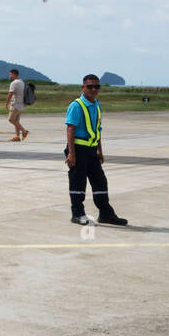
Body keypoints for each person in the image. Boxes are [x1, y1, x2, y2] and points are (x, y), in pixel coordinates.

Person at [64, 74, 128, 226]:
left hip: (92, 150)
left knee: (100, 182)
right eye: (90, 86)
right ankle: (77, 214)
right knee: (78, 183)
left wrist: (100, 150)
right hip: (78, 149)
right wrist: (71, 153)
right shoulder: (76, 105)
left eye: (96, 86)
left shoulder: (97, 105)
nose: (93, 89)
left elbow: (97, 130)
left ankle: (105, 213)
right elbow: (70, 129)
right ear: (83, 88)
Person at [5, 68, 29, 142]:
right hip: (21, 105)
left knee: (11, 119)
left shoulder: (14, 83)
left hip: (15, 104)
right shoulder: (22, 82)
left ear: (14, 74)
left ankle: (24, 131)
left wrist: (7, 103)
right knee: (16, 121)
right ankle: (17, 136)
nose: (10, 76)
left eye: (10, 74)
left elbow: (10, 93)